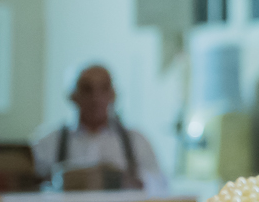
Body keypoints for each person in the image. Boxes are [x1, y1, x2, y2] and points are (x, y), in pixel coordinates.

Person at [32, 64, 168, 194]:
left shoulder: (137, 142)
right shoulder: (48, 143)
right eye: (87, 89)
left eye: (104, 88)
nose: (96, 98)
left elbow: (161, 186)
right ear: (73, 96)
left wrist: (137, 181)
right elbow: (30, 189)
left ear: (113, 95)